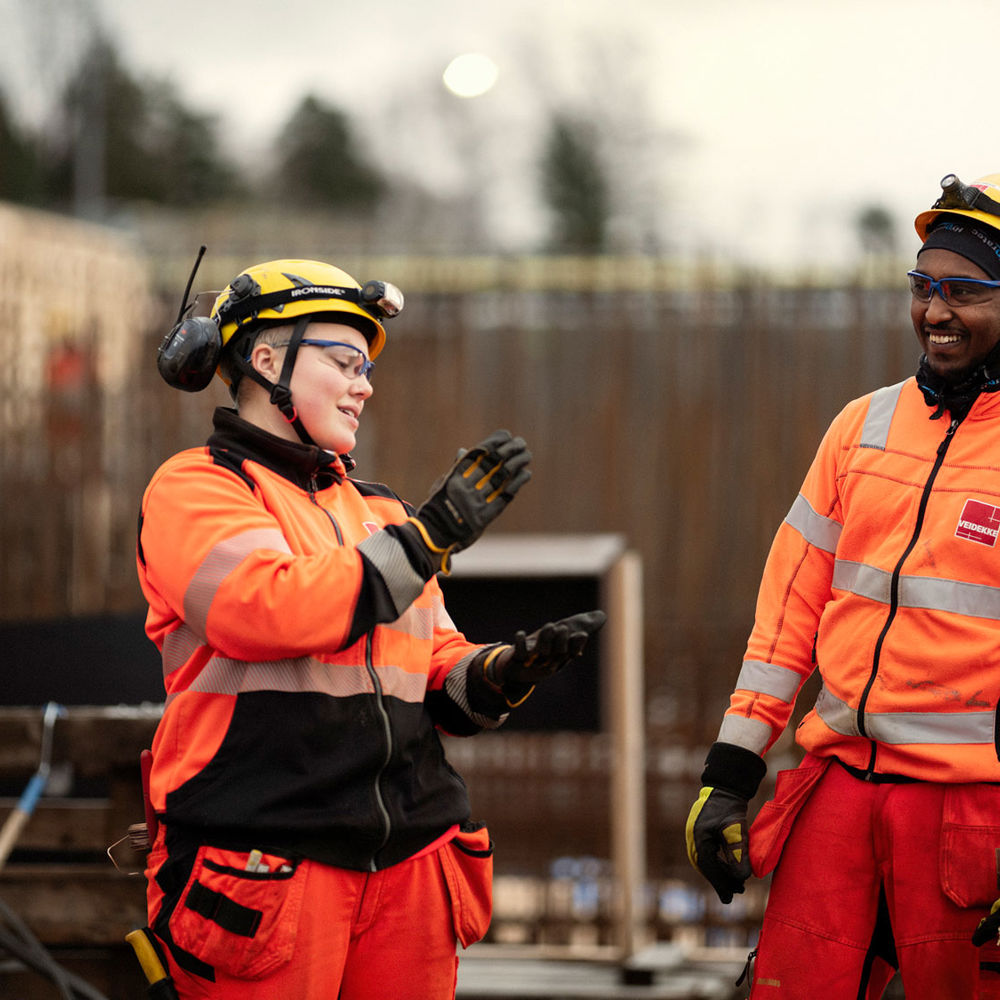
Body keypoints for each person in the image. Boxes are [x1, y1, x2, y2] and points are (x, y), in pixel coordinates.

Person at [135, 256, 606, 999]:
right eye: (345, 360)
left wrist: (500, 672)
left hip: (412, 864)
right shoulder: (198, 486)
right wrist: (427, 540)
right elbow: (264, 607)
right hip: (267, 863)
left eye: (368, 366)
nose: (365, 383)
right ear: (266, 360)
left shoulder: (380, 512)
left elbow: (435, 668)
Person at [685, 173, 1000, 999]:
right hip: (838, 797)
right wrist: (731, 771)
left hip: (973, 814)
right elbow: (788, 617)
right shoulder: (859, 427)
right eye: (923, 286)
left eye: (964, 291)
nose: (935, 312)